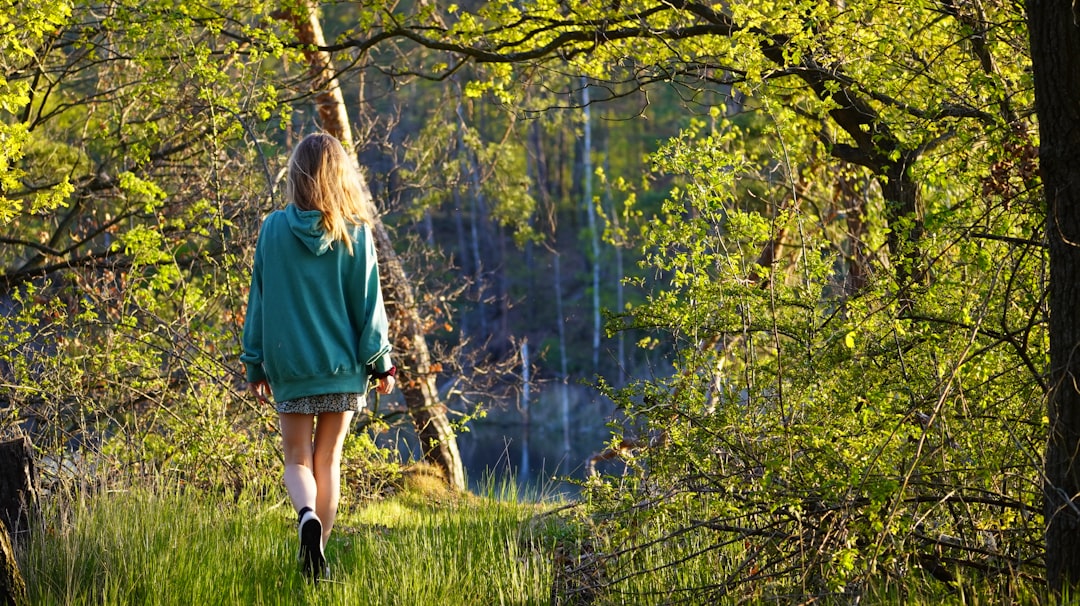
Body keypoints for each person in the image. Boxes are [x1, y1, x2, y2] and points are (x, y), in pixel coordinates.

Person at [241, 133, 397, 581]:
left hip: (290, 366)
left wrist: (253, 362)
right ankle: (317, 555)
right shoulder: (356, 232)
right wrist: (380, 360)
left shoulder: (273, 228)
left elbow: (260, 300)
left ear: (296, 176)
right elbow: (368, 306)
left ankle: (305, 515)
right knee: (328, 459)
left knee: (296, 459)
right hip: (341, 367)